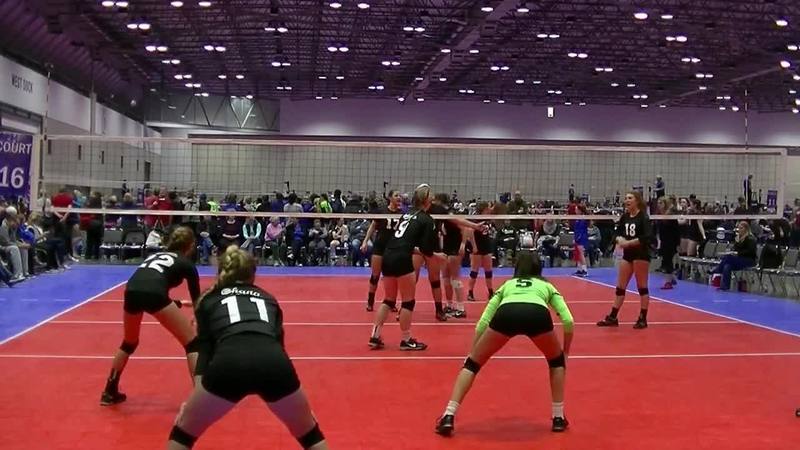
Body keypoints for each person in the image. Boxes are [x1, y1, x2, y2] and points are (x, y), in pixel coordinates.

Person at [167, 246, 328, 450]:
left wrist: (195, 399)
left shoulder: (208, 299)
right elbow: (279, 346)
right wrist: (301, 410)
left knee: (182, 434)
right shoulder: (268, 298)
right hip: (274, 363)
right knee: (311, 435)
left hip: (229, 363)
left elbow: (204, 352)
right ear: (252, 274)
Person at [434, 251, 574, 436]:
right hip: (537, 315)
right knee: (556, 363)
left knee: (472, 365)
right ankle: (558, 417)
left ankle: (448, 415)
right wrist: (565, 353)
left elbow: (483, 321)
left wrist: (472, 352)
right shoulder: (546, 285)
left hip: (507, 313)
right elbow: (568, 320)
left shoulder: (507, 285)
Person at [101, 226, 201, 406]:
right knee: (192, 343)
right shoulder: (186, 264)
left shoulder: (155, 256)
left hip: (131, 291)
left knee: (129, 343)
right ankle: (200, 397)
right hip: (154, 295)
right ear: (191, 245)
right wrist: (199, 318)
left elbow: (147, 285)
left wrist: (177, 303)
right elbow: (197, 299)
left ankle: (109, 390)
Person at [368, 184, 438, 351]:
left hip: (388, 255)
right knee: (408, 301)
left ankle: (375, 336)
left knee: (389, 299)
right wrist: (436, 256)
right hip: (402, 258)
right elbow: (427, 249)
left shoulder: (406, 214)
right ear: (427, 200)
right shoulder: (426, 219)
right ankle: (406, 340)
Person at [597, 191, 652, 329]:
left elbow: (647, 237)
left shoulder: (643, 217)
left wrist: (629, 243)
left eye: (630, 198)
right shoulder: (625, 217)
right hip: (628, 255)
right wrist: (618, 239)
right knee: (620, 287)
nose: (627, 200)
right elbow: (617, 232)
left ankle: (642, 318)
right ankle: (613, 317)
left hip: (641, 255)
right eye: (626, 198)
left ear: (637, 201)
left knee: (642, 287)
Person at [362, 190, 403, 311]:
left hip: (394, 248)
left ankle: (391, 302)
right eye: (396, 195)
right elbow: (373, 226)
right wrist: (365, 241)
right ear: (390, 198)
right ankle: (370, 301)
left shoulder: (402, 214)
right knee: (375, 275)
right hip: (380, 247)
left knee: (392, 277)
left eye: (399, 195)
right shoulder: (382, 211)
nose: (399, 197)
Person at [710, 221, 757, 291]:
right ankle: (725, 286)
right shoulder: (738, 238)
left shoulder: (751, 239)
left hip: (749, 260)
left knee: (728, 258)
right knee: (727, 266)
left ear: (746, 229)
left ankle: (717, 270)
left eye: (741, 228)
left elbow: (751, 251)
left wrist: (738, 253)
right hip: (739, 260)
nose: (739, 230)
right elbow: (735, 249)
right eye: (739, 228)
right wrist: (733, 249)